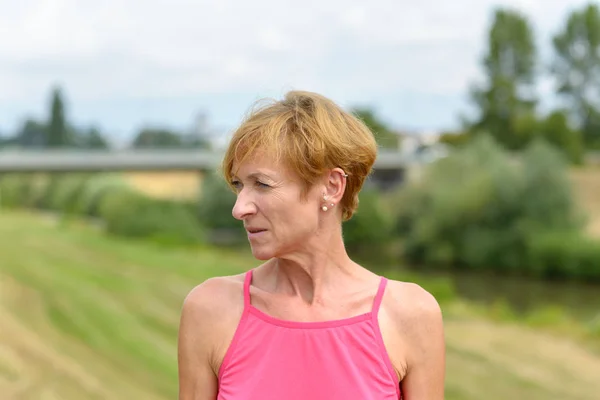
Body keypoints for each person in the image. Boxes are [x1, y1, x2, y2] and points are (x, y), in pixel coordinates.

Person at [177, 90, 446, 400]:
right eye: (238, 185)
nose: (240, 208)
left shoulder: (410, 315)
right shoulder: (210, 310)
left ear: (331, 187)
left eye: (262, 184)